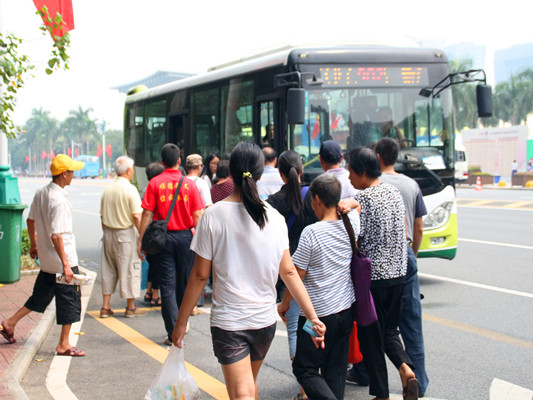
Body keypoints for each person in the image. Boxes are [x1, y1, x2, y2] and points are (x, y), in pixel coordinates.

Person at [172, 142, 326, 400]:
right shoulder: (274, 218)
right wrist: (312, 316)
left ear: (230, 172)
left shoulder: (214, 216)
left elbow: (199, 276)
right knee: (248, 385)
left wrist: (181, 321)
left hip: (230, 324)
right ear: (259, 173)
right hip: (263, 323)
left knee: (241, 392)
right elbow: (288, 273)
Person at [279, 173, 359, 400]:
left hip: (317, 316)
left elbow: (297, 276)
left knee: (305, 368)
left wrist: (285, 304)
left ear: (316, 200)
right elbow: (357, 205)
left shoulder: (311, 233)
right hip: (344, 310)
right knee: (336, 370)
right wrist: (349, 204)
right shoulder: (351, 222)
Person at [347, 147, 418, 400]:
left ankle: (381, 394)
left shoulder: (363, 200)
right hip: (398, 274)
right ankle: (405, 367)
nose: (348, 177)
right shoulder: (393, 193)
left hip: (373, 279)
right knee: (389, 331)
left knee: (370, 336)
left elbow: (357, 238)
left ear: (362, 172)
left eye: (351, 171)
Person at [0, 155, 86, 357]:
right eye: (72, 171)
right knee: (70, 301)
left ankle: (10, 322)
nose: (74, 175)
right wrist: (66, 265)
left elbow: (30, 221)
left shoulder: (41, 192)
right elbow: (57, 235)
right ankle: (64, 344)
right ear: (64, 174)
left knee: (40, 296)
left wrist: (34, 244)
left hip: (47, 261)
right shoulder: (59, 202)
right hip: (63, 260)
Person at [375, 137, 429, 396]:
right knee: (412, 322)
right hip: (406, 252)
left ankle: (369, 376)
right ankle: (421, 381)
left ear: (377, 157)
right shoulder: (411, 184)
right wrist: (413, 255)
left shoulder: (375, 185)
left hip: (382, 259)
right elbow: (419, 226)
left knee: (377, 323)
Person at [137, 143, 205, 345]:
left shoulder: (155, 183)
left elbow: (147, 214)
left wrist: (141, 240)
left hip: (162, 240)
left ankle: (173, 332)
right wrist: (201, 242)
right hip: (185, 238)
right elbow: (198, 215)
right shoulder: (189, 185)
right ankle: (181, 324)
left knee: (167, 285)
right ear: (178, 161)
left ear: (161, 162)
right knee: (183, 283)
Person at [266, 150, 308, 400]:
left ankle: (304, 387)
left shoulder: (272, 202)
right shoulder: (313, 196)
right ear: (301, 172)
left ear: (281, 174)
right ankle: (314, 378)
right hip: (314, 271)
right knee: (315, 324)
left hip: (288, 272)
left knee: (294, 327)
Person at [99, 156, 145, 318]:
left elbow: (102, 217)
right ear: (129, 171)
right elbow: (136, 216)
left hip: (108, 234)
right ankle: (130, 307)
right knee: (129, 269)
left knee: (108, 269)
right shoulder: (130, 189)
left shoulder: (107, 190)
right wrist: (141, 237)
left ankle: (105, 306)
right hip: (125, 234)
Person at [143, 162, 165, 306]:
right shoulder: (157, 189)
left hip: (149, 233)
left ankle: (149, 290)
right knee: (158, 264)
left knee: (152, 263)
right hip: (157, 233)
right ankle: (155, 295)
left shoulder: (147, 188)